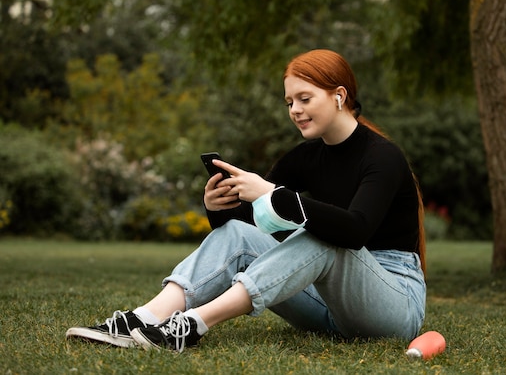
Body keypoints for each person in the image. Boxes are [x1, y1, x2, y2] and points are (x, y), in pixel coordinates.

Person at [66, 49, 427, 353]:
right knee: (242, 233)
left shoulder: (382, 157)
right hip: (328, 306)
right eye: (289, 102)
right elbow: (251, 225)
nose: (295, 110)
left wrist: (274, 195)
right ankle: (144, 318)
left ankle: (193, 325)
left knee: (322, 236)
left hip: (393, 302)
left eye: (305, 99)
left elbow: (354, 230)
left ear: (339, 96)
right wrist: (220, 206)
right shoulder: (304, 157)